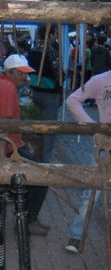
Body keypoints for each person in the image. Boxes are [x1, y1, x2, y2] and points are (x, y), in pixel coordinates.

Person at [0, 54, 49, 235]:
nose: (25, 77)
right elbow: (6, 123)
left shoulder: (1, 85)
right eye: (21, 73)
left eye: (25, 74)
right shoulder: (7, 88)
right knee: (41, 178)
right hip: (7, 148)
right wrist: (3, 157)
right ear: (10, 73)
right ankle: (28, 221)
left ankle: (24, 220)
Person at [64, 69, 111, 252]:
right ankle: (76, 236)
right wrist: (93, 127)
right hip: (105, 145)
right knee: (92, 192)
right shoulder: (100, 80)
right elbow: (72, 100)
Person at [28, 25, 62, 163]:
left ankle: (35, 153)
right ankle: (45, 158)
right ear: (51, 35)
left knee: (37, 123)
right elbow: (57, 73)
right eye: (55, 34)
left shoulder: (33, 50)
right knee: (49, 126)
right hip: (50, 92)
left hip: (36, 89)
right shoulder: (51, 51)